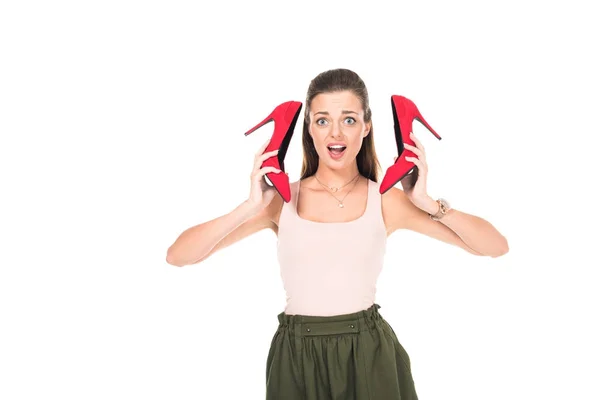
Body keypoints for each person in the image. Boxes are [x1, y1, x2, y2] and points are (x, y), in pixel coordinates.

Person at [166, 68, 509, 399]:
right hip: (296, 357)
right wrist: (250, 205)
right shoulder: (280, 201)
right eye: (322, 120)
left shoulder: (386, 200)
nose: (336, 134)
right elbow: (179, 255)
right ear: (309, 130)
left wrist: (427, 201)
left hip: (368, 352)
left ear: (366, 126)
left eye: (348, 119)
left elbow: (495, 246)